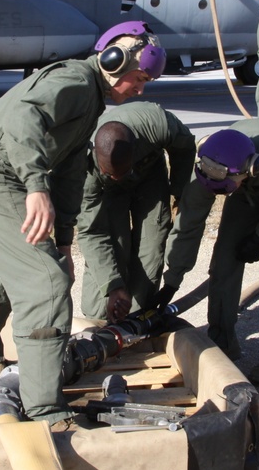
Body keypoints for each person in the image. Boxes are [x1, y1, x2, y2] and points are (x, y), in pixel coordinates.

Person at [0, 21, 166, 424]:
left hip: (5, 173)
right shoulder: (74, 80)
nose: (141, 89)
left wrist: (63, 242)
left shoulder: (91, 102)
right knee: (45, 282)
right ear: (114, 61)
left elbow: (69, 173)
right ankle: (44, 407)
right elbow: (23, 116)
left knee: (17, 263)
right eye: (139, 78)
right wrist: (34, 185)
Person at [154, 117, 259, 384]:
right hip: (245, 186)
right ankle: (222, 341)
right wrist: (172, 281)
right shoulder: (211, 164)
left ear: (251, 170)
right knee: (225, 257)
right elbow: (188, 225)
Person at [76, 102, 196, 322]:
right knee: (115, 244)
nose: (119, 177)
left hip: (149, 173)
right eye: (110, 172)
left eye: (122, 172)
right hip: (107, 191)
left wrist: (179, 192)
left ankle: (137, 319)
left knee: (152, 245)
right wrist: (113, 286)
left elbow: (185, 146)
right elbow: (91, 232)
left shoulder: (158, 125)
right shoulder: (85, 170)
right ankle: (100, 320)